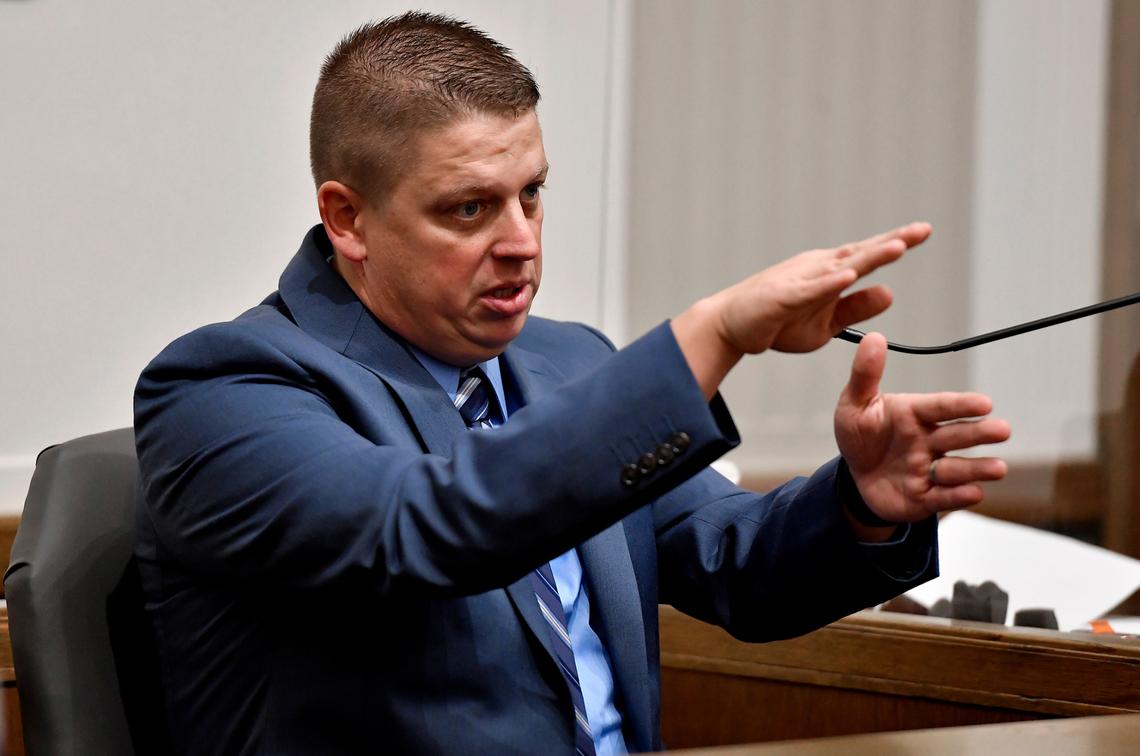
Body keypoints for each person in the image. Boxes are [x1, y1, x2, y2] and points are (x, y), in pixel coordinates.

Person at [133, 12, 1011, 755]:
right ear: (348, 218)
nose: (520, 240)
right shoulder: (223, 390)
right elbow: (435, 524)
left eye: (533, 195)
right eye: (469, 208)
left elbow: (734, 563)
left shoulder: (570, 364)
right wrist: (709, 336)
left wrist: (863, 501)